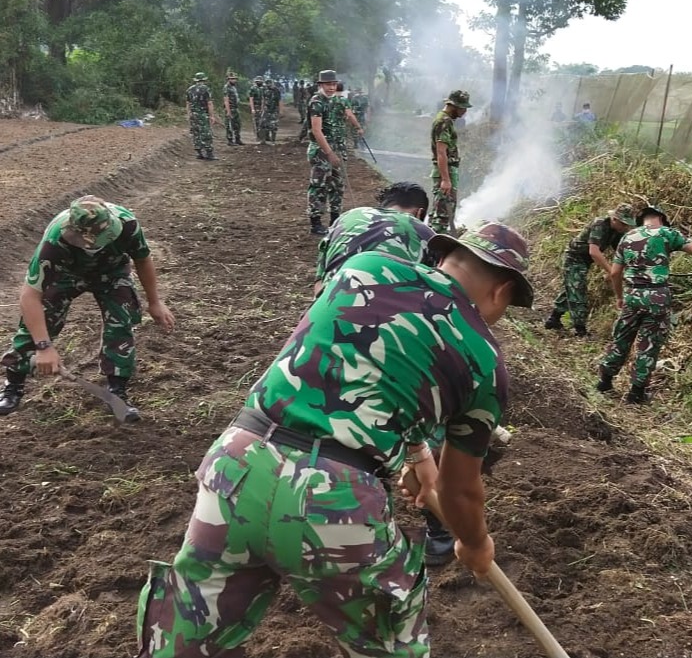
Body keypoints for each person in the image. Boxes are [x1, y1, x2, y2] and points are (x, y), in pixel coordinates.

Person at [134, 222, 534, 658]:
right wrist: (474, 543)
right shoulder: (485, 362)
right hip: (334, 500)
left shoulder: (364, 268)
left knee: (188, 636)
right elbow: (460, 490)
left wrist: (413, 451)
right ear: (502, 290)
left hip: (236, 465)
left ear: (444, 257)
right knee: (385, 643)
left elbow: (361, 360)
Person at [0, 196, 175, 422]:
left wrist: (154, 302)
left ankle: (117, 393)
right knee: (38, 323)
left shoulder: (128, 225)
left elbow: (143, 259)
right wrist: (44, 347)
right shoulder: (54, 242)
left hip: (112, 273)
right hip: (66, 274)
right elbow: (29, 296)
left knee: (121, 322)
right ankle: (12, 387)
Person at [596, 204, 692, 404]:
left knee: (622, 337)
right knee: (649, 343)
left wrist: (620, 297)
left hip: (632, 295)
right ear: (662, 219)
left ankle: (605, 380)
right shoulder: (667, 233)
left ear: (641, 220)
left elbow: (614, 273)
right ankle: (636, 393)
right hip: (657, 297)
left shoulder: (627, 237)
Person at [313, 181, 433, 296]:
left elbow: (319, 282)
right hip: (387, 312)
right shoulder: (425, 232)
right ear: (420, 213)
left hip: (326, 310)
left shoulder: (347, 217)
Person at [545, 202, 636, 337]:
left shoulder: (616, 232)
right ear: (614, 219)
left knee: (570, 289)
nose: (625, 227)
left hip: (585, 261)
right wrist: (610, 271)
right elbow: (594, 252)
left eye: (627, 224)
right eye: (623, 223)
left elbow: (621, 252)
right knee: (578, 290)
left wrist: (632, 266)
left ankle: (553, 319)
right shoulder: (600, 224)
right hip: (574, 257)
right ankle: (580, 329)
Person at [307, 69, 363, 236]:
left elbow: (349, 114)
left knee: (338, 186)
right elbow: (317, 131)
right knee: (319, 186)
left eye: (333, 84)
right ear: (321, 85)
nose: (331, 87)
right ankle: (316, 223)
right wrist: (329, 153)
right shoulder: (317, 102)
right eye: (327, 84)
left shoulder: (338, 101)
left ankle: (335, 220)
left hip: (339, 148)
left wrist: (357, 127)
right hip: (321, 151)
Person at [427, 89, 471, 235]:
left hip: (448, 170)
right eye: (462, 107)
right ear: (453, 105)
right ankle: (436, 244)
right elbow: (441, 152)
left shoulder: (446, 120)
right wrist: (445, 180)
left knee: (442, 210)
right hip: (445, 171)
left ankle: (434, 238)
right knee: (443, 212)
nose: (464, 111)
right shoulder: (444, 122)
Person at [185, 72, 217, 160]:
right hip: (203, 114)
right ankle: (209, 153)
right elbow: (209, 103)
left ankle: (199, 153)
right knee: (206, 132)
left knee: (196, 133)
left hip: (193, 114)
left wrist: (189, 114)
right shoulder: (206, 89)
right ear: (204, 80)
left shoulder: (189, 89)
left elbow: (188, 103)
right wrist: (212, 116)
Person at [258, 77, 283, 144]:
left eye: (270, 84)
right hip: (266, 110)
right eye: (267, 84)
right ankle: (263, 140)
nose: (269, 86)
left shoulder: (276, 90)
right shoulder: (264, 90)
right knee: (262, 124)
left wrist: (280, 111)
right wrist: (262, 108)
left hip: (274, 110)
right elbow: (263, 99)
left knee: (273, 126)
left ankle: (273, 140)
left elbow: (280, 101)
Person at [222, 72, 244, 146]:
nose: (234, 80)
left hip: (235, 108)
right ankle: (230, 140)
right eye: (232, 79)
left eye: (235, 79)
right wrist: (228, 111)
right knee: (229, 125)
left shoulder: (233, 87)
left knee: (237, 124)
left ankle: (237, 139)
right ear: (228, 79)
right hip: (230, 108)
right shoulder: (226, 87)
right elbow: (226, 100)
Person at [248, 75, 265, 142]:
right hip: (256, 106)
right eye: (258, 81)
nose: (259, 82)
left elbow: (264, 98)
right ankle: (258, 136)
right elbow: (251, 99)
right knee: (256, 122)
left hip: (263, 107)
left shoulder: (264, 88)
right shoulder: (253, 89)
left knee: (264, 122)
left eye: (260, 81)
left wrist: (263, 107)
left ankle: (264, 136)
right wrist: (252, 109)